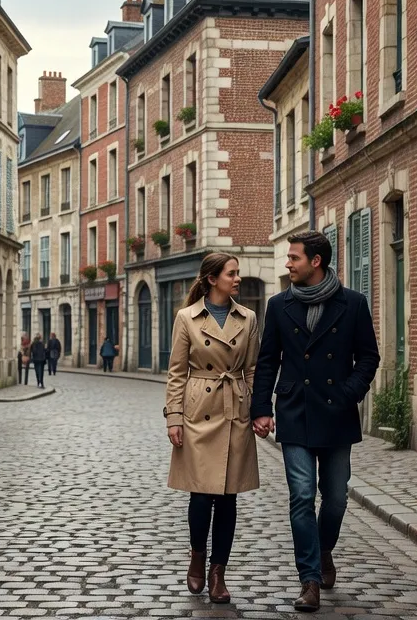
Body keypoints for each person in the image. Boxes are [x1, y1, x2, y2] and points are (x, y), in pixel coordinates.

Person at [250, 231, 379, 613]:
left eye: (294, 258)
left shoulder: (353, 303)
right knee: (302, 495)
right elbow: (267, 361)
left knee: (336, 498)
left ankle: (323, 551)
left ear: (316, 261)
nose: (288, 263)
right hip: (296, 411)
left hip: (337, 412)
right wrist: (261, 408)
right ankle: (309, 579)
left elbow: (368, 357)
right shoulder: (279, 305)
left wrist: (348, 393)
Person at [164, 252, 260, 605]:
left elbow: (253, 368)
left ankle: (218, 572)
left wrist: (255, 409)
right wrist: (174, 417)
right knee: (201, 495)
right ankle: (197, 555)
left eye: (237, 273)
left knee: (228, 497)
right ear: (212, 279)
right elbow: (177, 372)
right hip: (198, 411)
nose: (237, 279)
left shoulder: (247, 317)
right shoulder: (186, 317)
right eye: (231, 273)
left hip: (234, 409)